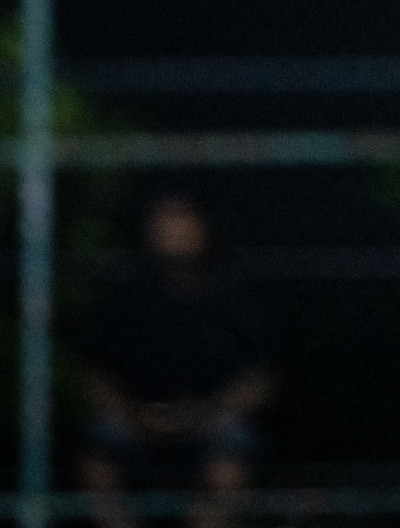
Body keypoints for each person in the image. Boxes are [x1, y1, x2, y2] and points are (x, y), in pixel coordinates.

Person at [80, 193, 271, 528]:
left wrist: (207, 415)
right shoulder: (125, 294)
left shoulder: (234, 292)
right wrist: (135, 416)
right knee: (98, 464)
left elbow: (260, 376)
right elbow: (98, 376)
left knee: (229, 466)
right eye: (164, 219)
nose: (173, 229)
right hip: (137, 418)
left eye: (183, 218)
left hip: (212, 419)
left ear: (205, 227)